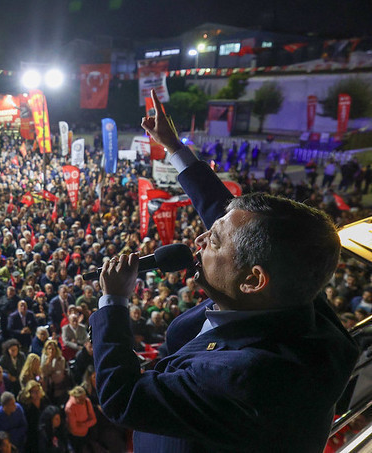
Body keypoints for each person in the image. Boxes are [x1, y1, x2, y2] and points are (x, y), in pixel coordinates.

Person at [90, 89, 360, 452]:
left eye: (214, 241)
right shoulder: (295, 290)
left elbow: (124, 397)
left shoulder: (249, 376)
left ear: (253, 280)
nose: (200, 239)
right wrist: (174, 148)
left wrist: (113, 303)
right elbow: (234, 222)